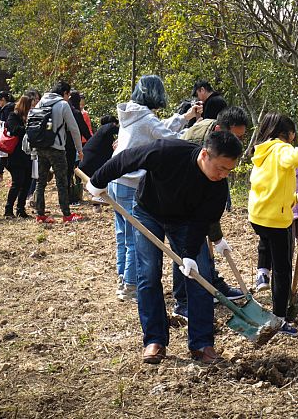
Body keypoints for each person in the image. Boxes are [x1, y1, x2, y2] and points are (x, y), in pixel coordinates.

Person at [87, 132, 243, 365]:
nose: (223, 175)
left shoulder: (218, 187)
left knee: (200, 276)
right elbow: (127, 158)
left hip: (187, 223)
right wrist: (97, 181)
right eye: (220, 168)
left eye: (228, 171)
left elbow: (202, 222)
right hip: (149, 212)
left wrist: (189, 254)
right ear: (204, 155)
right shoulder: (166, 151)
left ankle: (202, 343)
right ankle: (155, 340)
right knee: (148, 275)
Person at [110, 75, 201, 301]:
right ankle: (131, 285)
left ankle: (123, 279)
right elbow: (168, 139)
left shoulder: (131, 114)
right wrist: (194, 133)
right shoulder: (146, 119)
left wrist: (185, 117)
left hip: (115, 180)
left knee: (122, 234)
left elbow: (158, 128)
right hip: (131, 182)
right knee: (134, 236)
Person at [248, 112, 298, 335]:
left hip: (259, 216)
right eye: (294, 135)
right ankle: (279, 318)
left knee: (273, 255)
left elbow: (272, 187)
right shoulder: (281, 148)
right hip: (276, 220)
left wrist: (297, 199)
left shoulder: (263, 151)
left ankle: (265, 276)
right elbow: (295, 159)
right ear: (288, 134)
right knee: (283, 269)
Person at [172, 106, 250, 319]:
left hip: (200, 198)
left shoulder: (222, 152)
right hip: (176, 198)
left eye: (241, 137)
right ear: (219, 129)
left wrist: (216, 237)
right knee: (186, 248)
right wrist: (213, 234)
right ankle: (182, 301)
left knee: (201, 249)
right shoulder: (199, 145)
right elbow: (200, 203)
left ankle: (212, 282)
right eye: (235, 136)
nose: (238, 143)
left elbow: (211, 205)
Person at [32, 81, 86, 223]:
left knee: (41, 181)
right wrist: (79, 149)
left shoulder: (41, 102)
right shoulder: (63, 105)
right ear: (65, 93)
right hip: (56, 148)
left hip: (40, 146)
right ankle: (67, 215)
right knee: (62, 182)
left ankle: (40, 214)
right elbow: (74, 129)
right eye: (68, 95)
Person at [4, 96, 33, 218]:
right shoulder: (13, 116)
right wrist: (28, 127)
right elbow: (14, 129)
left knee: (27, 182)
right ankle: (8, 209)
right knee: (17, 182)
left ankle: (21, 209)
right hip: (16, 155)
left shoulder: (30, 117)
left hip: (27, 154)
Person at [65, 90, 92, 204]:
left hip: (60, 144)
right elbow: (84, 129)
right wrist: (92, 141)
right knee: (70, 171)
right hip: (71, 145)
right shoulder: (75, 112)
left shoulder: (64, 109)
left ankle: (65, 197)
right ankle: (69, 198)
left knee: (65, 172)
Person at [0, 91, 15, 183]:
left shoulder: (7, 109)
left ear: (2, 100)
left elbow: (7, 123)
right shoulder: (12, 107)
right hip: (11, 137)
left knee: (4, 157)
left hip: (8, 137)